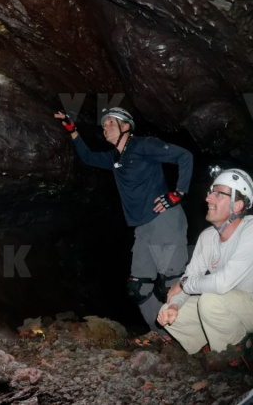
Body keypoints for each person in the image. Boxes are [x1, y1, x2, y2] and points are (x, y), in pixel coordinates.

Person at [54, 107, 193, 339]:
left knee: (171, 283)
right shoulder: (114, 158)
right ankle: (162, 336)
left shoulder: (143, 145)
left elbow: (184, 156)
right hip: (143, 228)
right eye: (104, 124)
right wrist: (73, 130)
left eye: (110, 122)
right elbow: (88, 157)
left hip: (164, 221)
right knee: (138, 286)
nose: (105, 126)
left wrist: (177, 193)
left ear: (125, 126)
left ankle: (192, 336)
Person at [157, 167, 253, 365]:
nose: (208, 198)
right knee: (171, 314)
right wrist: (174, 305)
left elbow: (219, 284)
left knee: (210, 301)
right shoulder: (207, 237)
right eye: (210, 192)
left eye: (218, 193)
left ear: (237, 205)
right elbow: (190, 278)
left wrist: (184, 284)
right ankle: (207, 347)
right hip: (222, 300)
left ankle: (235, 354)